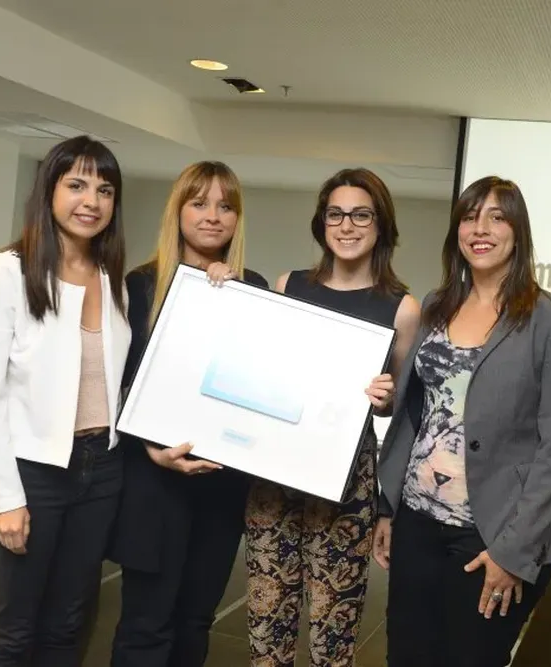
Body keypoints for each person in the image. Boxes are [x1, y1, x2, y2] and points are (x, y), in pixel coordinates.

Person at [373, 176, 551, 667]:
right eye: (470, 217)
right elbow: (415, 414)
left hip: (492, 533)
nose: (481, 228)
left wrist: (514, 552)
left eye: (497, 216)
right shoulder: (436, 305)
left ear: (519, 231)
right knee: (406, 657)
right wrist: (388, 507)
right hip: (417, 522)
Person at [0, 135, 130, 667]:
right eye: (76, 185)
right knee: (13, 631)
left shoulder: (113, 279)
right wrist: (3, 499)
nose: (91, 201)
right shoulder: (7, 271)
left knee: (69, 625)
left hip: (101, 470)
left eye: (104, 190)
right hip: (32, 473)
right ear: (49, 191)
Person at [241, 168, 420, 666]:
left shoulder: (402, 308)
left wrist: (382, 400)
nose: (347, 225)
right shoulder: (288, 285)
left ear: (380, 224)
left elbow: (401, 409)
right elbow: (268, 373)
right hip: (275, 471)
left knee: (333, 628)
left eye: (361, 214)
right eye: (335, 213)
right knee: (266, 619)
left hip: (347, 479)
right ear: (321, 222)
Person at [109, 161, 268, 667]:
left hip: (221, 486)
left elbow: (257, 382)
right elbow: (117, 385)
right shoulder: (138, 286)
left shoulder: (255, 287)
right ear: (177, 210)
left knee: (196, 619)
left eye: (226, 206)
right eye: (199, 203)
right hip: (153, 482)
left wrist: (228, 294)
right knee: (145, 622)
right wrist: (152, 448)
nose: (212, 216)